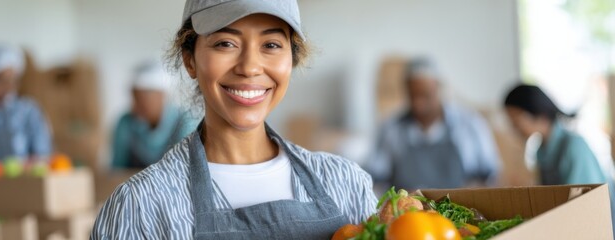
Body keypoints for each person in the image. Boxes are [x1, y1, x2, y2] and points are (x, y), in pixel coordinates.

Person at [92, 0, 377, 239]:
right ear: (190, 59)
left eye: (272, 44)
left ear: (293, 58)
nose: (250, 67)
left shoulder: (347, 185)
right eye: (226, 43)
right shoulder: (141, 207)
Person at [366, 58, 500, 190]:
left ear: (439, 88)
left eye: (425, 95)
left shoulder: (470, 125)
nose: (418, 105)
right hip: (409, 210)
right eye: (413, 96)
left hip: (460, 209)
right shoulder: (391, 128)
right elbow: (376, 178)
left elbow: (490, 176)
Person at [504, 84, 607, 185]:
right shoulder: (541, 151)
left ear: (538, 114)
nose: (514, 127)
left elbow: (586, 198)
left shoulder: (574, 146)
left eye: (516, 121)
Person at [111, 60, 198, 169]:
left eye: (144, 97)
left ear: (162, 96)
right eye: (135, 97)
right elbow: (116, 171)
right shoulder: (126, 122)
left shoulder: (185, 122)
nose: (136, 104)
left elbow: (183, 171)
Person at [0, 44, 52, 163]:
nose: (7, 86)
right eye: (0, 80)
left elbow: (43, 153)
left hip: (24, 179)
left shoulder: (28, 110)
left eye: (12, 79)